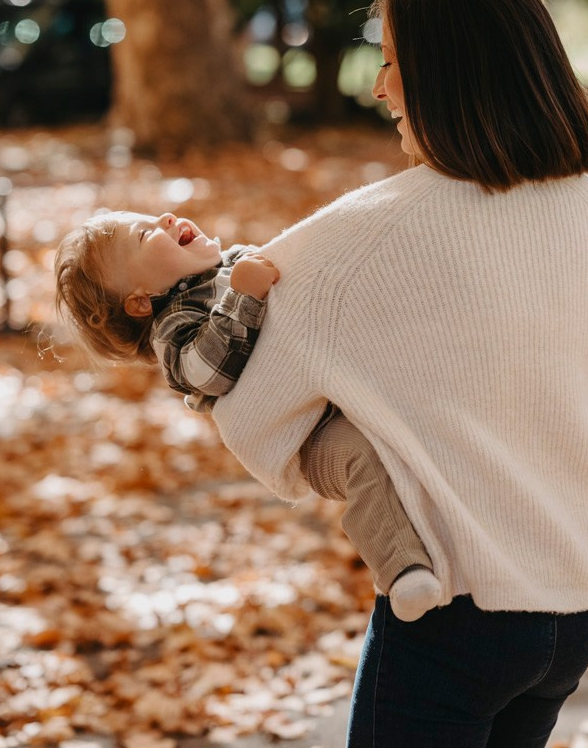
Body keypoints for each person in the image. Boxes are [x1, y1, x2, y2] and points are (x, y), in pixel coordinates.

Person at [212, 0, 588, 747]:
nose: (379, 89)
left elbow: (253, 416)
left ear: (446, 73)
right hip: (575, 602)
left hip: (456, 610)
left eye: (391, 62)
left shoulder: (364, 233)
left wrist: (351, 454)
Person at [53, 212, 442, 622]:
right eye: (146, 234)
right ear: (140, 300)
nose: (166, 217)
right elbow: (209, 373)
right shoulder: (173, 326)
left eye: (153, 217)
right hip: (309, 436)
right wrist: (244, 297)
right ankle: (403, 569)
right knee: (364, 460)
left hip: (343, 388)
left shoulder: (237, 260)